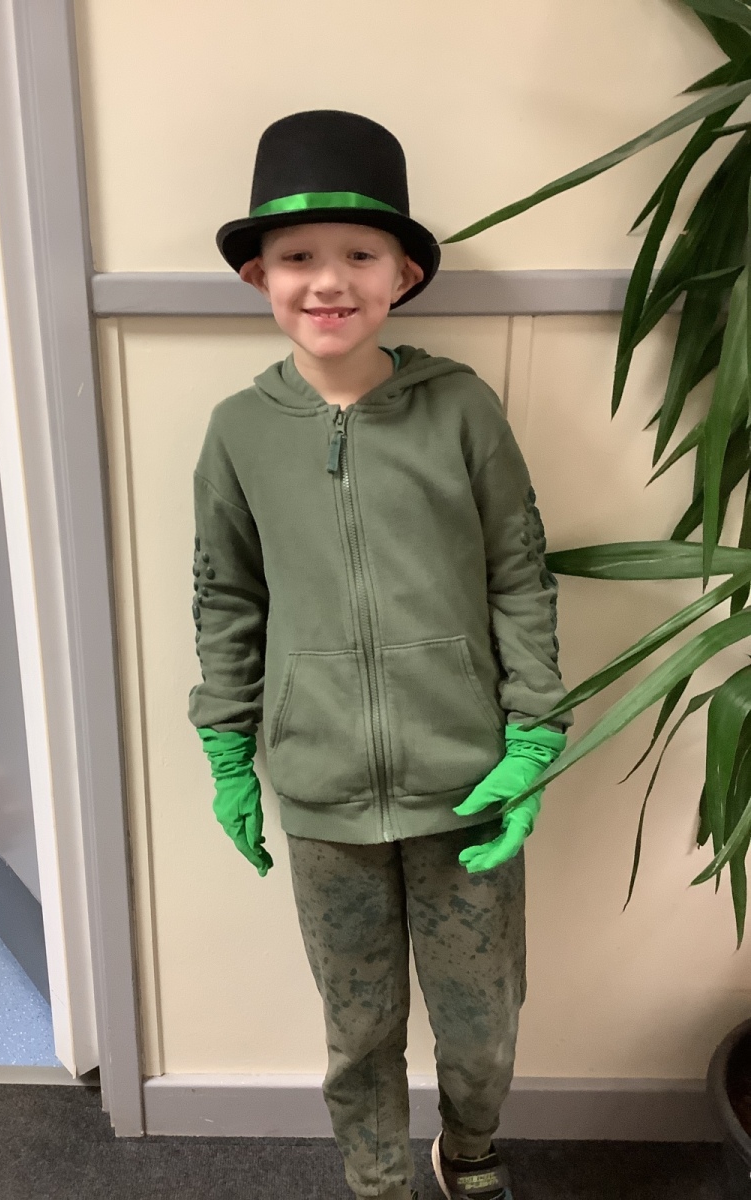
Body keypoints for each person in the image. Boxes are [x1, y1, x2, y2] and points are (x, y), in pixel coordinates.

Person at [188, 109, 573, 1200]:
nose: (328, 281)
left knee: (482, 1021)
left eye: (359, 255)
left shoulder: (461, 409)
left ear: (402, 275)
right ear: (259, 275)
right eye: (298, 258)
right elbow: (226, 596)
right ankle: (375, 1182)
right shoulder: (239, 431)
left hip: (466, 780)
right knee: (357, 1028)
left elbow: (518, 572)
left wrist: (535, 730)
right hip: (322, 790)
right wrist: (228, 748)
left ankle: (472, 1147)